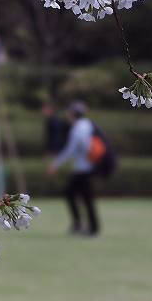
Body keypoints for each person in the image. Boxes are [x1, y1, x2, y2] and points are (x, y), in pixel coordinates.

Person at [47, 101, 100, 236]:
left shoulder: (78, 128)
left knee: (74, 194)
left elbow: (71, 150)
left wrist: (55, 164)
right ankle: (88, 226)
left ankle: (85, 226)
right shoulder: (88, 124)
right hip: (88, 167)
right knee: (84, 197)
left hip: (83, 169)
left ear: (72, 114)